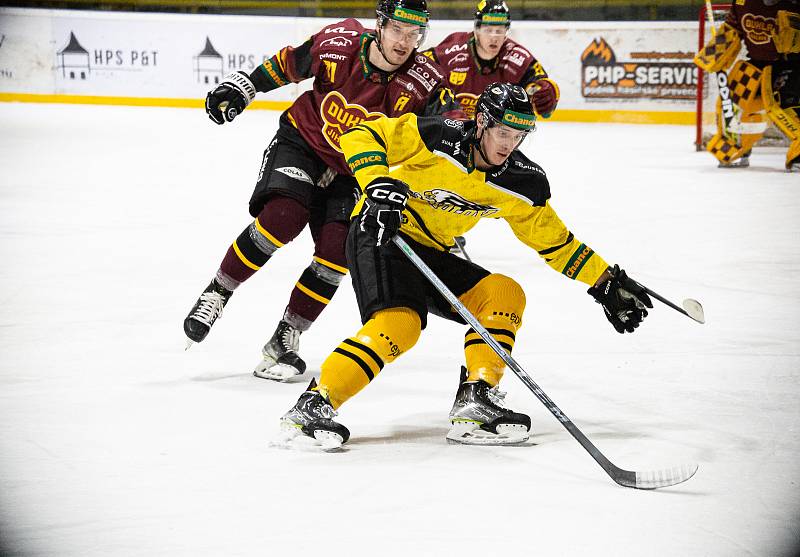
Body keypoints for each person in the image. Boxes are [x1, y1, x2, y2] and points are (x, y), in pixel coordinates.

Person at [277, 83, 653, 450]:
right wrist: (377, 184)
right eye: (503, 132)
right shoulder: (438, 135)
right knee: (400, 325)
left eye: (519, 134)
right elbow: (363, 133)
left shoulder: (523, 182)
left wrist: (604, 280)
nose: (509, 144)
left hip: (433, 251)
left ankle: (476, 399)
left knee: (503, 292)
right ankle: (313, 405)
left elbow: (555, 241)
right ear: (483, 123)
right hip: (381, 231)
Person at [183, 0, 464, 381]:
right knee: (283, 217)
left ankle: (287, 336)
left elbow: (450, 136)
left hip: (357, 171)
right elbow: (288, 64)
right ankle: (218, 291)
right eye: (398, 29)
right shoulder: (341, 41)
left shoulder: (424, 81)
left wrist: (443, 203)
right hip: (304, 142)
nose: (405, 41)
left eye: (415, 33)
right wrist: (245, 86)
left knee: (337, 251)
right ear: (379, 25)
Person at [694, 0, 799, 171]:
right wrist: (717, 53)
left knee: (785, 105)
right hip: (756, 64)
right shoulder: (743, 3)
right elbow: (732, 30)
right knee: (731, 102)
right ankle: (735, 147)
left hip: (792, 64)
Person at [422, 0, 560, 120]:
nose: (494, 37)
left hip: (491, 137)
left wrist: (548, 92)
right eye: (488, 30)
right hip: (448, 131)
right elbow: (419, 65)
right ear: (477, 29)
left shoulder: (516, 57)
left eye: (499, 31)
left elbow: (539, 82)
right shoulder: (452, 51)